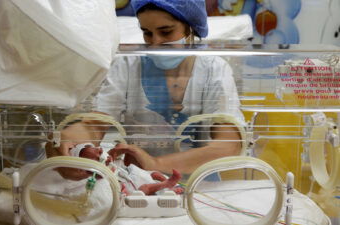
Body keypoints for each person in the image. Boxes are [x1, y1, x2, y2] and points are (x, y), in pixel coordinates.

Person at [52, 0, 244, 176]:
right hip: (138, 179)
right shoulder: (128, 65)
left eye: (166, 32)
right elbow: (95, 123)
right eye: (147, 32)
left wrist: (155, 163)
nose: (155, 42)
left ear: (191, 28)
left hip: (200, 182)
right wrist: (71, 140)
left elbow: (229, 146)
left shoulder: (214, 69)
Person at [72, 143, 184, 195]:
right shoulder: (99, 176)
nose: (102, 157)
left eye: (100, 152)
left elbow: (117, 153)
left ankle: (171, 184)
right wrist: (123, 192)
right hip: (133, 187)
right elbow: (111, 188)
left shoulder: (110, 159)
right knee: (145, 188)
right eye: (97, 160)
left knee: (155, 174)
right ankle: (167, 185)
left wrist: (119, 150)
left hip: (132, 174)